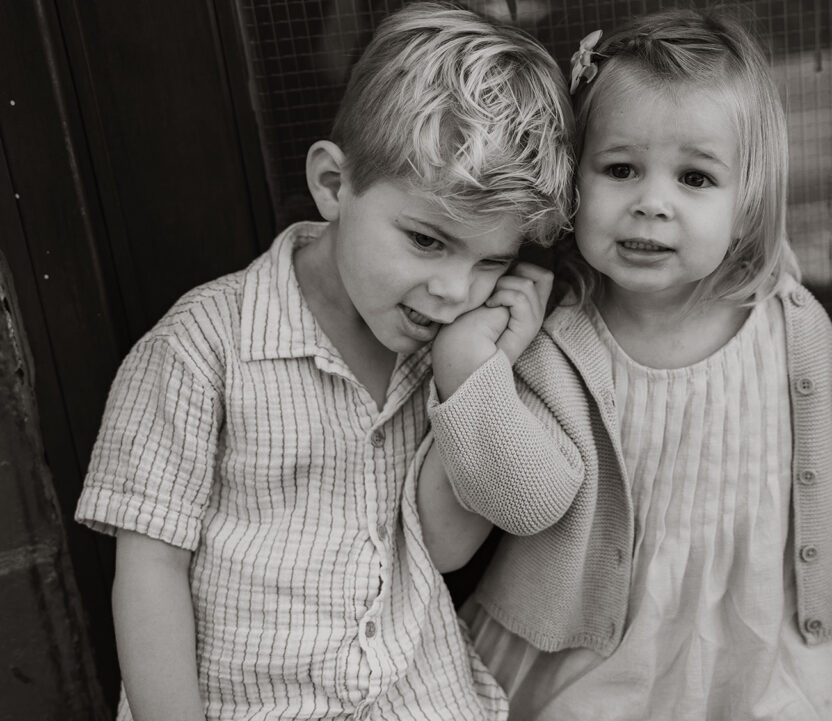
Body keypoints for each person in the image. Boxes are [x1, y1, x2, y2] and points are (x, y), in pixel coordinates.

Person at [417, 8, 832, 720]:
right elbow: (519, 495)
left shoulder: (788, 328)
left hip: (754, 644)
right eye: (620, 169)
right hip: (595, 650)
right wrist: (476, 377)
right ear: (574, 182)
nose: (652, 203)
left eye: (695, 178)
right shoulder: (557, 345)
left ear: (748, 200)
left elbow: (826, 452)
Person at [74, 3, 574, 719]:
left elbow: (441, 549)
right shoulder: (201, 346)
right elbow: (151, 568)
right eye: (426, 240)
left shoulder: (454, 342)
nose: (454, 290)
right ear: (334, 185)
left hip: (416, 698)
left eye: (491, 260)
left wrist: (473, 381)